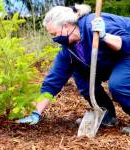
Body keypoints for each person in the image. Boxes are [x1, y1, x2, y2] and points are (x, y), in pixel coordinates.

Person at [16, 4, 130, 134]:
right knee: (83, 80)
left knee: (118, 84)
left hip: (126, 52)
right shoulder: (67, 51)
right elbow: (53, 81)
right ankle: (107, 115)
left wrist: (104, 36)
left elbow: (127, 42)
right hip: (110, 60)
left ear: (66, 25)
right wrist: (36, 112)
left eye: (55, 33)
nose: (54, 38)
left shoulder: (92, 24)